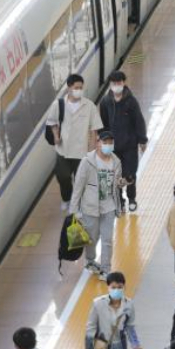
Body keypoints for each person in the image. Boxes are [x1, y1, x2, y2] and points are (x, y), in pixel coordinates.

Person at [69, 131, 124, 277]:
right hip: (90, 207)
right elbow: (78, 186)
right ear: (98, 143)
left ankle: (106, 269)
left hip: (109, 206)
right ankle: (90, 260)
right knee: (91, 238)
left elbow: (116, 183)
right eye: (105, 142)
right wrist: (74, 210)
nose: (108, 145)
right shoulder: (87, 162)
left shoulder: (116, 161)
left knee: (107, 240)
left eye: (110, 143)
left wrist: (121, 183)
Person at [48, 74, 103, 211]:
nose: (79, 90)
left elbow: (94, 130)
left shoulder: (89, 106)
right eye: (76, 88)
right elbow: (52, 122)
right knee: (62, 176)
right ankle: (66, 199)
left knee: (81, 180)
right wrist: (56, 136)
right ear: (69, 88)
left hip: (81, 151)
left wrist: (91, 151)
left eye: (81, 88)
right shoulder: (59, 105)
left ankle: (78, 204)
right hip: (63, 150)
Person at [97, 73, 148, 212]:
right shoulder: (106, 102)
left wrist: (142, 139)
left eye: (118, 82)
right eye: (113, 83)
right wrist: (103, 141)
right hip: (113, 147)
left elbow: (139, 121)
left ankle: (132, 198)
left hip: (130, 145)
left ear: (124, 82)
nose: (116, 85)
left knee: (130, 173)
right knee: (116, 175)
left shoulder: (131, 101)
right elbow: (102, 124)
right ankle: (120, 201)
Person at [85, 272, 141, 349]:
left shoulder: (129, 305)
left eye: (120, 287)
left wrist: (136, 344)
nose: (116, 290)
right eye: (113, 287)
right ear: (108, 287)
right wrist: (91, 345)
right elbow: (91, 326)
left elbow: (130, 326)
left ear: (124, 287)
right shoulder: (98, 304)